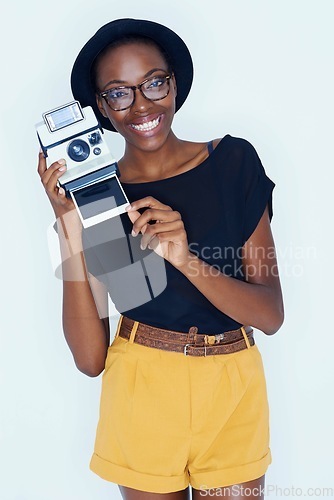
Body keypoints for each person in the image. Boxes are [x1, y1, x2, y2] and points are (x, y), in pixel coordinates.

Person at [37, 18, 284, 500]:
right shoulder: (101, 202)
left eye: (154, 82)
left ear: (175, 83)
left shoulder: (233, 163)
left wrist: (184, 256)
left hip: (233, 390)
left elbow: (270, 316)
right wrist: (68, 225)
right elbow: (90, 360)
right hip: (142, 390)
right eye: (119, 93)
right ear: (101, 109)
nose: (142, 105)